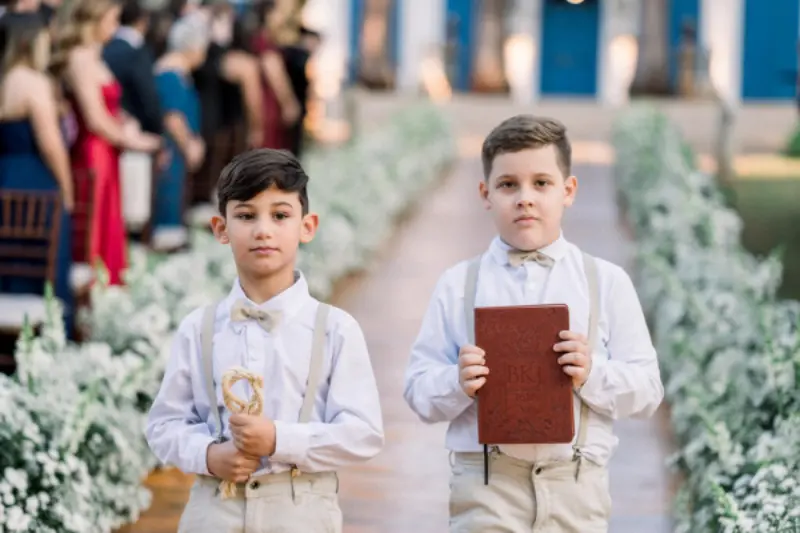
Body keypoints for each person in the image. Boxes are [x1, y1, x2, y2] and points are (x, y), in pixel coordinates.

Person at [403, 115, 664, 532]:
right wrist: (457, 382)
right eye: (509, 185)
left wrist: (593, 372)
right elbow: (417, 390)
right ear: (485, 194)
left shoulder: (606, 282)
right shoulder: (458, 285)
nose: (525, 198)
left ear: (569, 191)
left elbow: (649, 391)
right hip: (486, 484)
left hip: (577, 485)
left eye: (541, 183)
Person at [145, 148, 384, 533]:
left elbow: (363, 434)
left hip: (301, 508)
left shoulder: (335, 329)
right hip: (214, 507)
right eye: (245, 215)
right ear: (220, 229)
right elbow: (164, 424)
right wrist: (208, 454)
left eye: (280, 215)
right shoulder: (198, 328)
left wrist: (279, 438)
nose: (263, 230)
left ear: (307, 226)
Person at [51, 0, 161, 285]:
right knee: (95, 228)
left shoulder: (94, 55)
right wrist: (136, 142)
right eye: (112, 19)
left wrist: (125, 121)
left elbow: (108, 107)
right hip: (93, 152)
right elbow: (95, 119)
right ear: (94, 19)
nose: (115, 26)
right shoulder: (79, 57)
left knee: (111, 222)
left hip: (108, 150)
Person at [0, 12, 73, 326]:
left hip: (4, 178)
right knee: (45, 259)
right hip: (34, 183)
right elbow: (50, 143)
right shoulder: (33, 82)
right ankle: (46, 338)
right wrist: (68, 190)